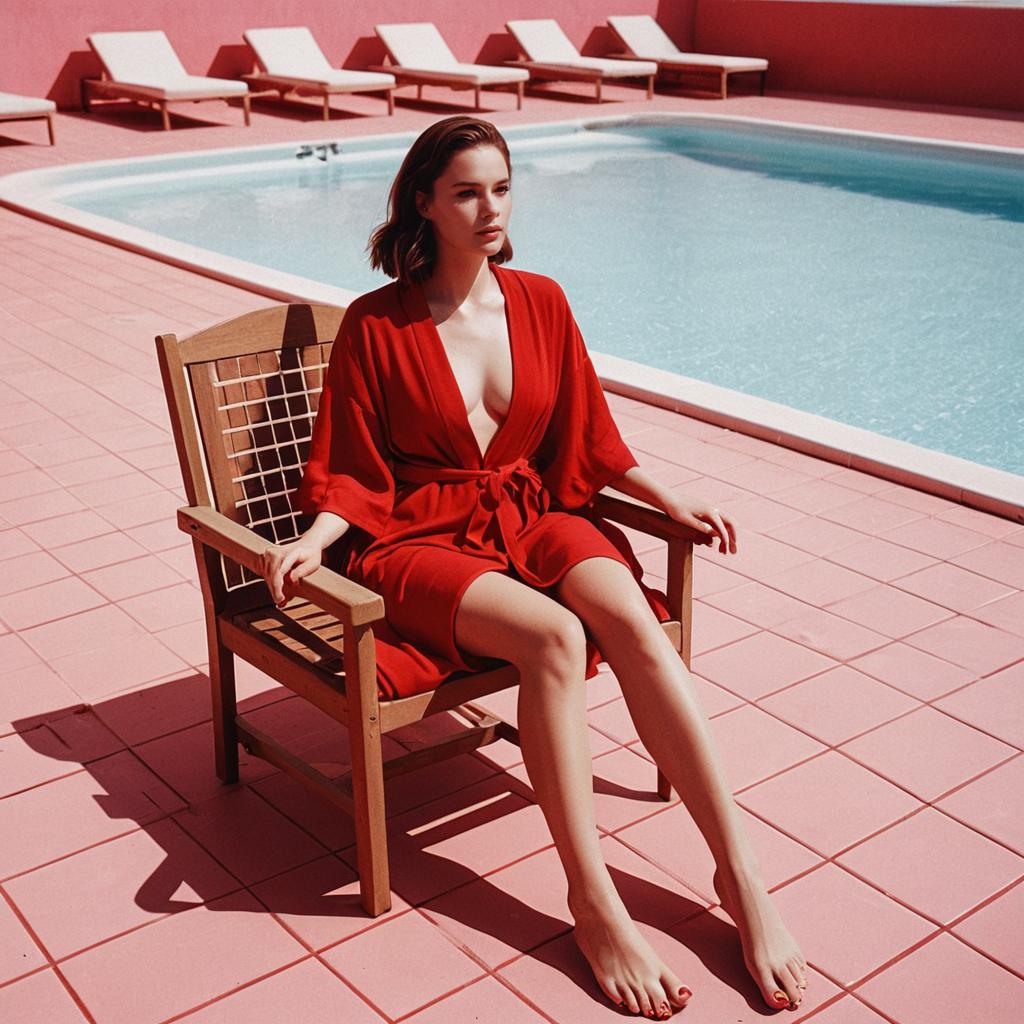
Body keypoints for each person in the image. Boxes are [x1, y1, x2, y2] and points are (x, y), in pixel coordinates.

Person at [259, 116, 806, 1019]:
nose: (489, 209)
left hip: (531, 512)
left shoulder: (543, 301)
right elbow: (353, 468)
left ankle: (741, 878)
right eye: (467, 191)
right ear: (424, 203)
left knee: (628, 614)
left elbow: (585, 433)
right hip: (417, 536)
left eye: (501, 189)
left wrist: (664, 493)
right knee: (553, 635)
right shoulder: (374, 324)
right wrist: (317, 541)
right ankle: (592, 901)